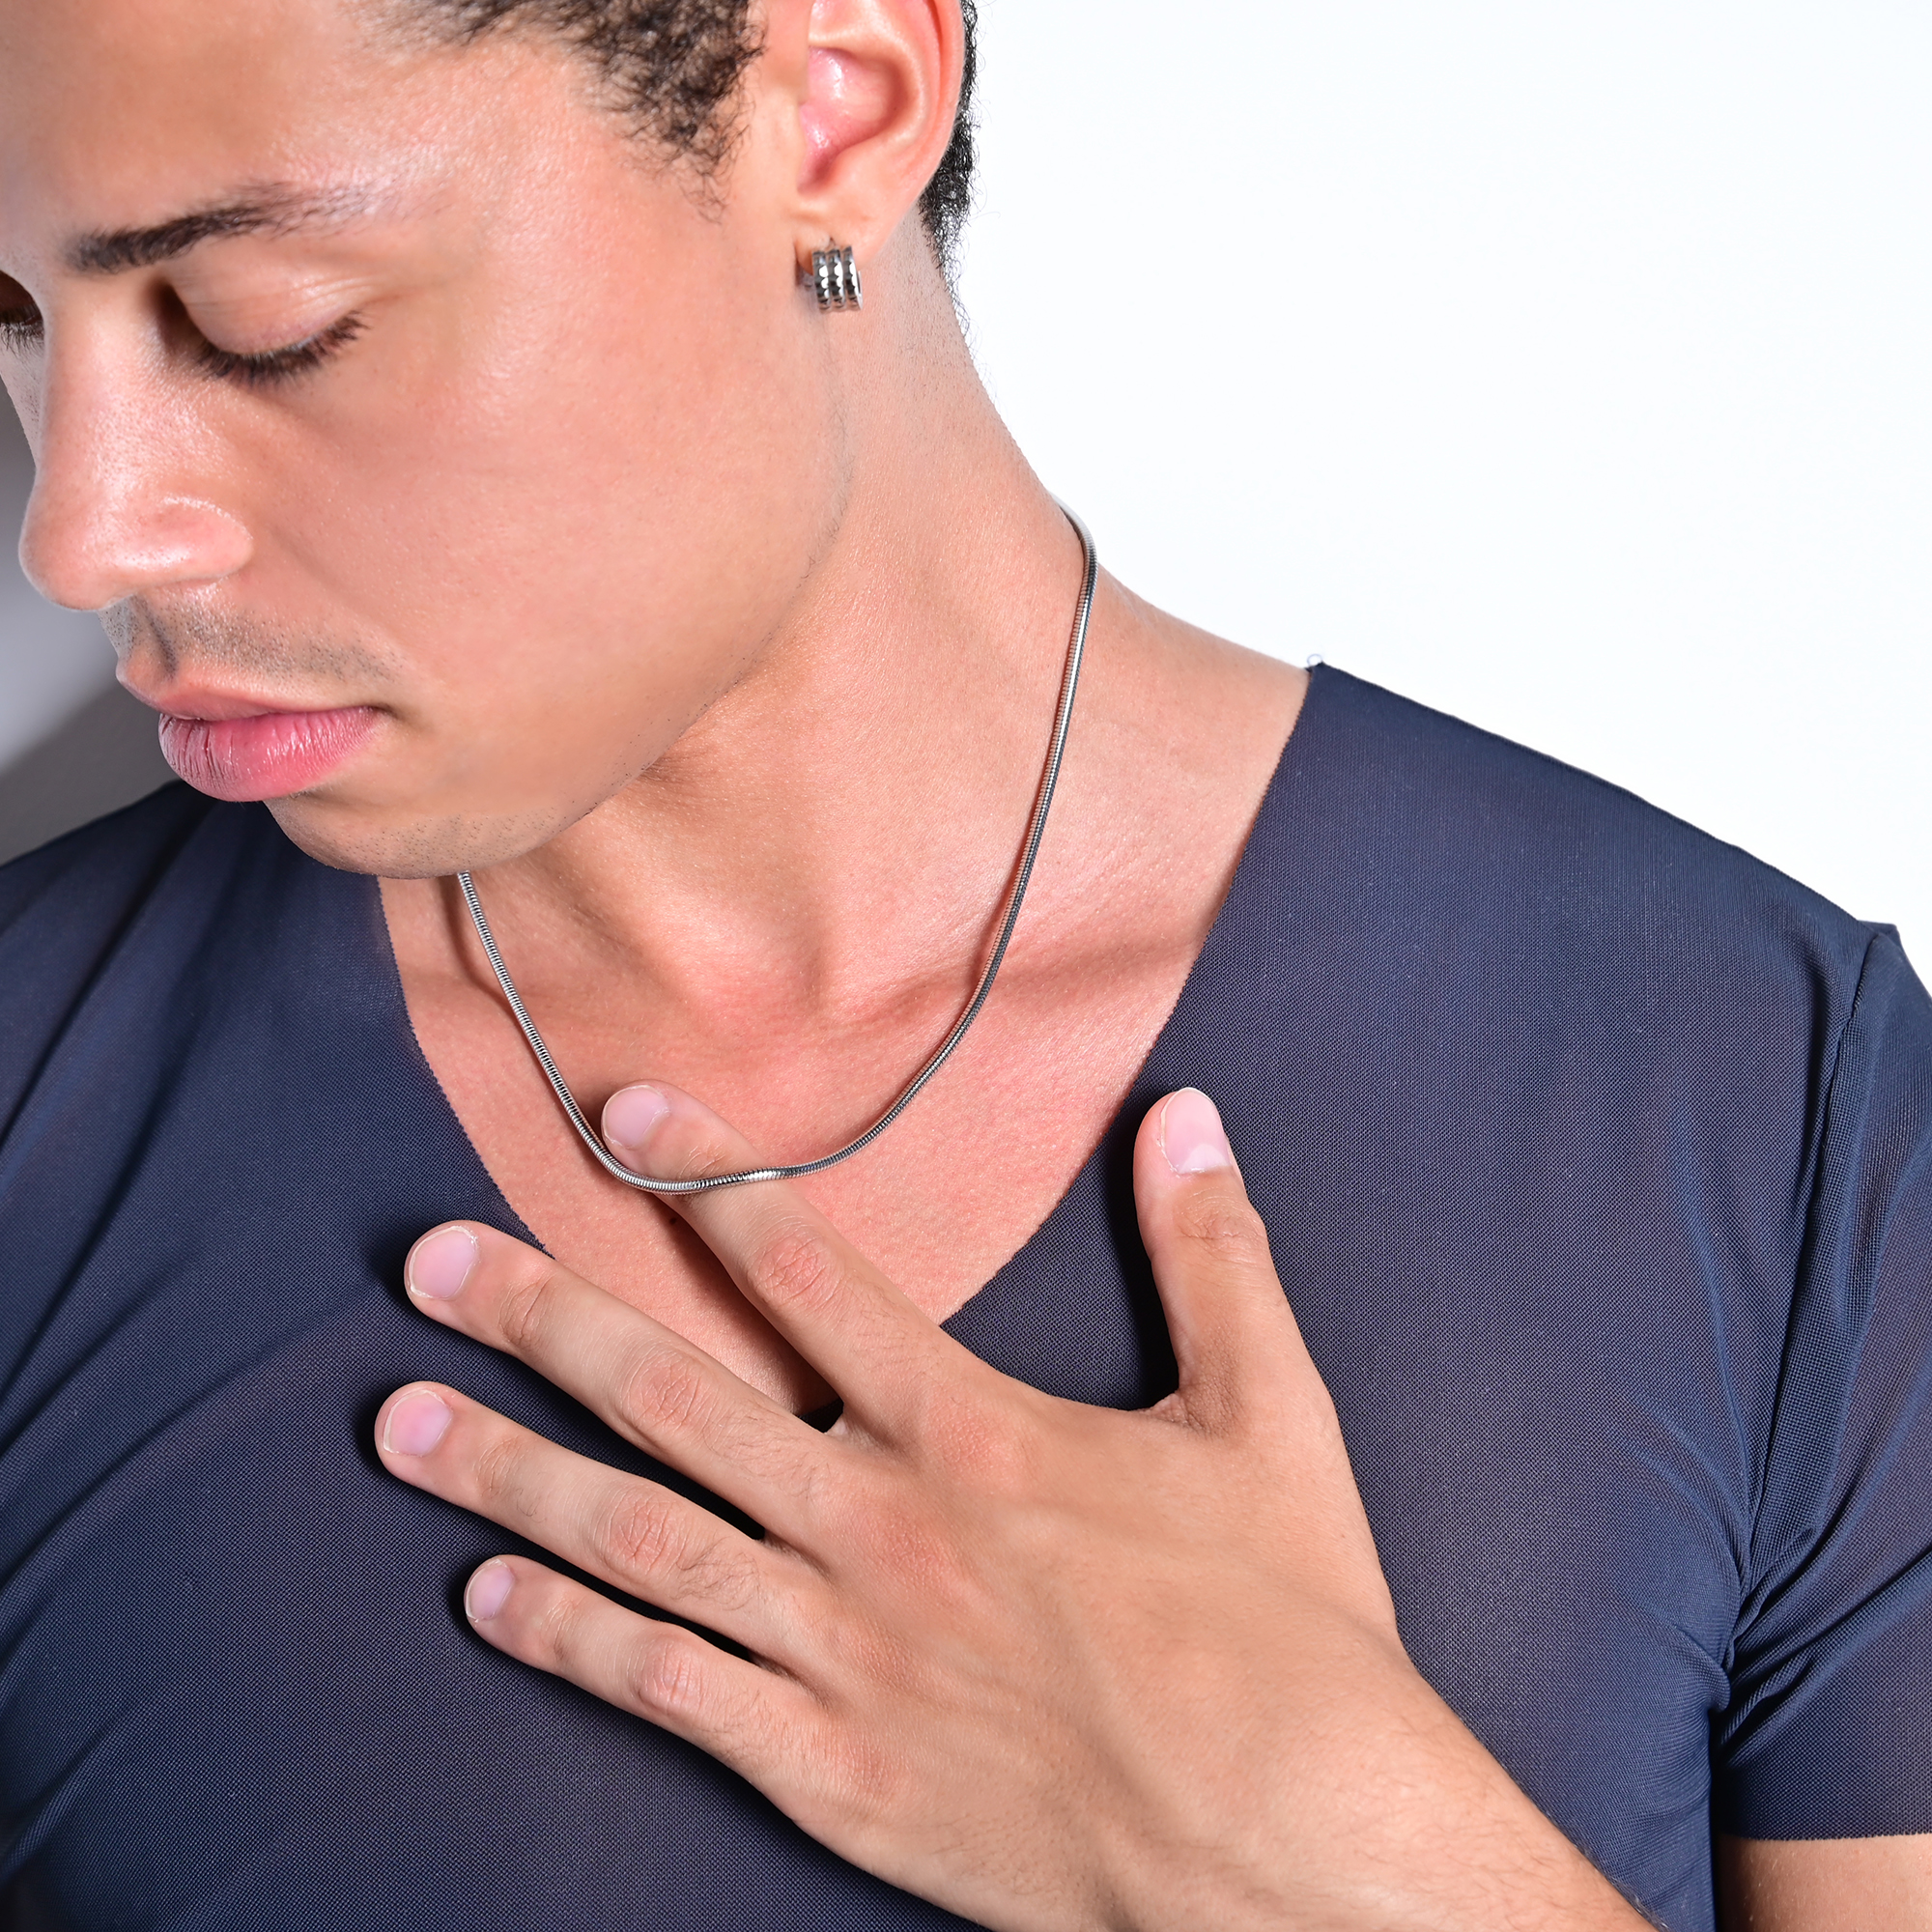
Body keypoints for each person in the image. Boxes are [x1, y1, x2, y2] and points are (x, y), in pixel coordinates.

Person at [1, 0, 1927, 1926]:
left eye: (267, 320)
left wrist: (1345, 1858)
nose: (79, 537)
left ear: (839, 106)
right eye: (6, 323)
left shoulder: (1763, 1108)